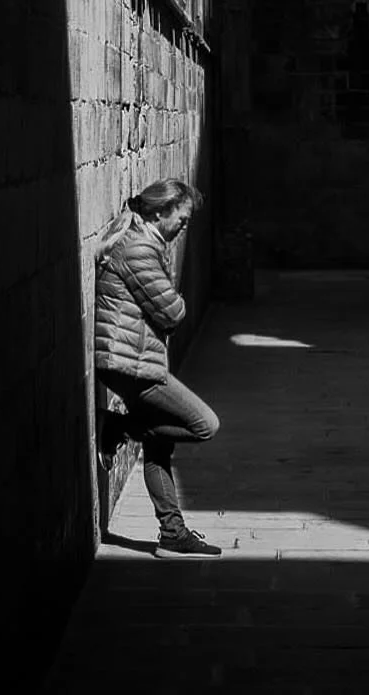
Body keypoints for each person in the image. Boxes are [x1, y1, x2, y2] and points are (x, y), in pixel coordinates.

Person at [94, 178, 222, 558]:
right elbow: (172, 312)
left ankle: (172, 533)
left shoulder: (148, 245)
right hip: (131, 366)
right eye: (180, 219)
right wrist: (176, 299)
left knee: (159, 445)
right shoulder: (139, 250)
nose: (184, 226)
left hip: (133, 360)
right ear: (159, 211)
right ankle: (115, 426)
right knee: (204, 424)